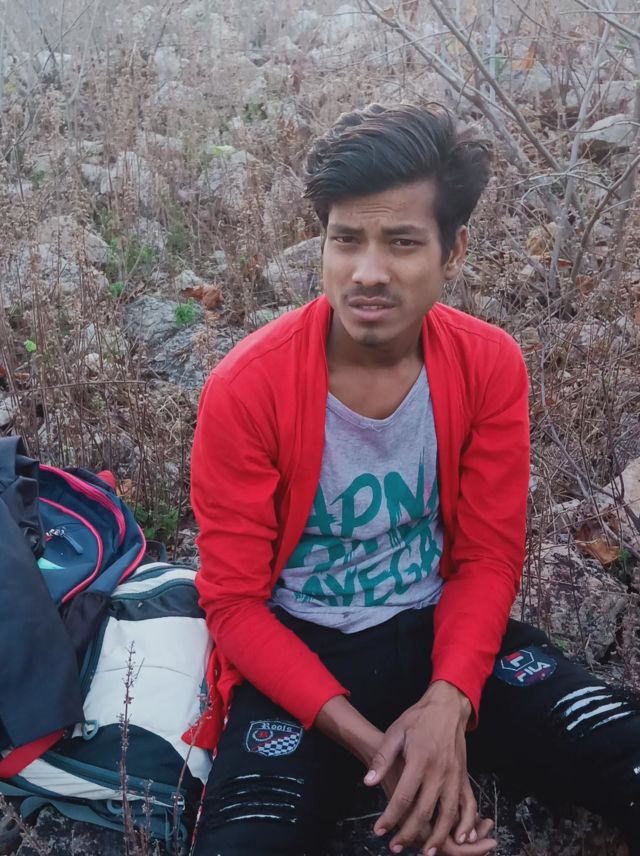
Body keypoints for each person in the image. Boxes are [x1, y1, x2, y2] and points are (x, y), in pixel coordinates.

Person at [189, 104, 640, 856]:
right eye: (346, 240)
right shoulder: (248, 388)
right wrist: (382, 753)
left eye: (402, 242)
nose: (367, 272)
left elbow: (486, 556)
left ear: (452, 251)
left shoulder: (487, 365)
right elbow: (233, 603)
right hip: (301, 658)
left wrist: (448, 703)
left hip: (444, 635)